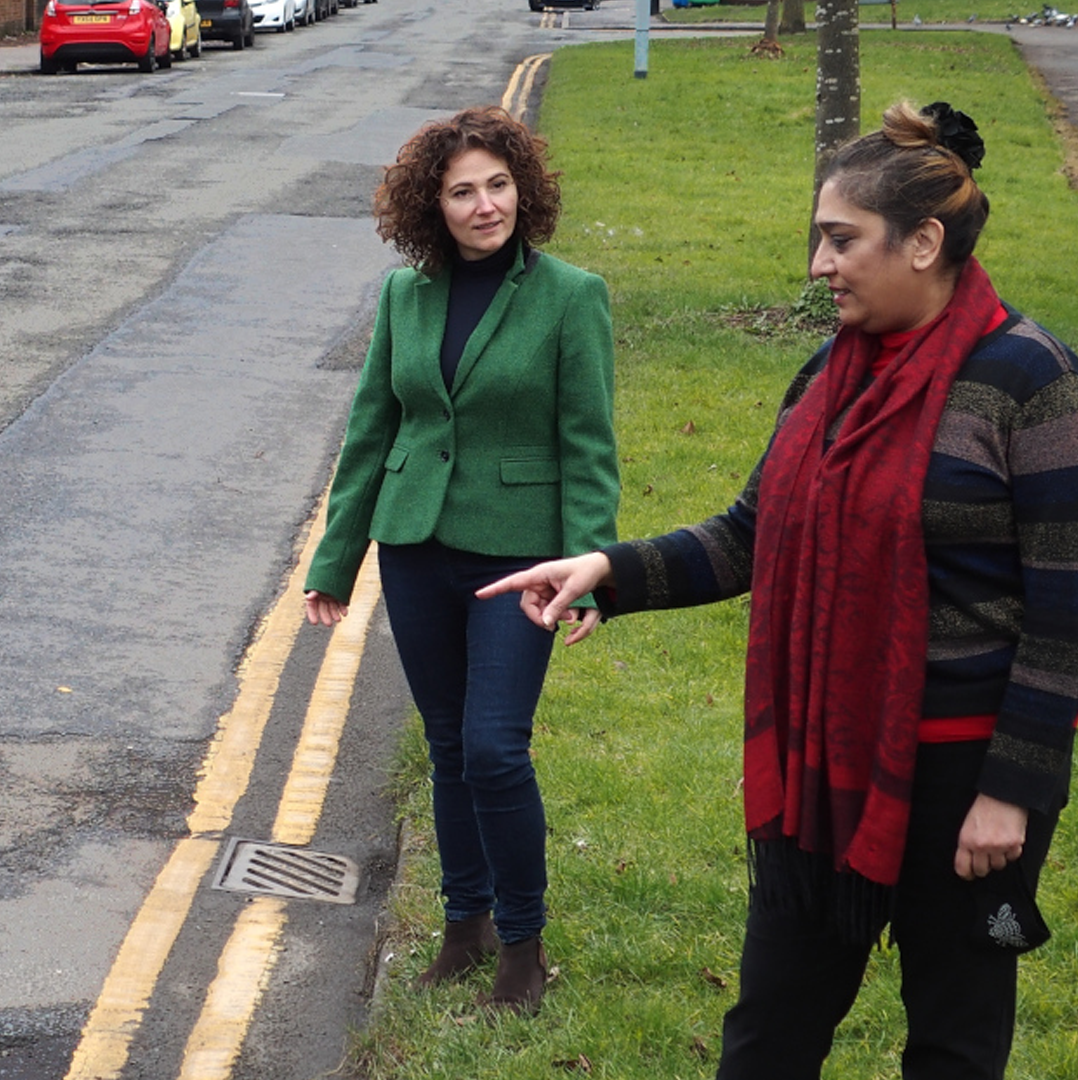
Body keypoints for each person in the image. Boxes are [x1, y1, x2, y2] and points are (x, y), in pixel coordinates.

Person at [480, 101, 1077, 1078]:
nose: (818, 265)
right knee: (768, 1033)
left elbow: (1066, 606)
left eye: (841, 241)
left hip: (965, 779)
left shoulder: (1031, 381)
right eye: (818, 239)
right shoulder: (827, 376)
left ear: (923, 242)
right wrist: (610, 573)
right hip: (825, 765)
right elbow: (750, 535)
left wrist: (1011, 791)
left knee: (955, 1038)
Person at [304, 105, 620, 1015]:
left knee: (492, 748)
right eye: (462, 192)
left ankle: (523, 948)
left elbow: (588, 445)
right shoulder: (405, 297)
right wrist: (337, 557)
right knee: (448, 748)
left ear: (525, 189)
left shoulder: (571, 295)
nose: (486, 206)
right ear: (430, 207)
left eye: (498, 185)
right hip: (415, 551)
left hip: (518, 560)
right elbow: (372, 429)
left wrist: (585, 564)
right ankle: (462, 928)